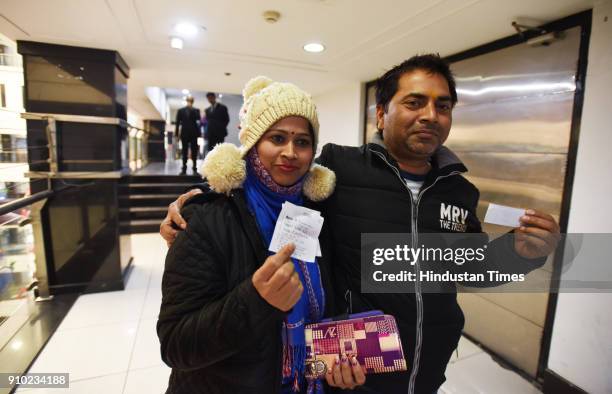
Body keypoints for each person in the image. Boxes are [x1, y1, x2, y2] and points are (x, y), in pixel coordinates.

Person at [161, 55, 560, 393]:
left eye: (443, 105)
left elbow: (465, 266)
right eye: (415, 102)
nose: (430, 115)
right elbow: (274, 177)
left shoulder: (460, 192)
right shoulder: (341, 170)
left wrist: (519, 254)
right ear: (382, 113)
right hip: (358, 374)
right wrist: (196, 198)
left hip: (427, 370)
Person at [157, 76, 365, 394]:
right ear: (253, 143)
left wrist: (338, 366)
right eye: (277, 138)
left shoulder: (318, 215)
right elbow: (176, 345)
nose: (291, 152)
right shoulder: (207, 220)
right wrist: (255, 300)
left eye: (302, 142)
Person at [175, 96, 201, 175]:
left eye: (191, 100)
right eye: (189, 100)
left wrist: (192, 109)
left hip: (194, 133)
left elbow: (198, 118)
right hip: (184, 133)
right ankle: (184, 168)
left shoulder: (196, 110)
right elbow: (177, 123)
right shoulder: (181, 110)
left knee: (194, 151)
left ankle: (195, 168)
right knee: (184, 150)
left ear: (193, 101)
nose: (190, 101)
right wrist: (177, 134)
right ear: (186, 101)